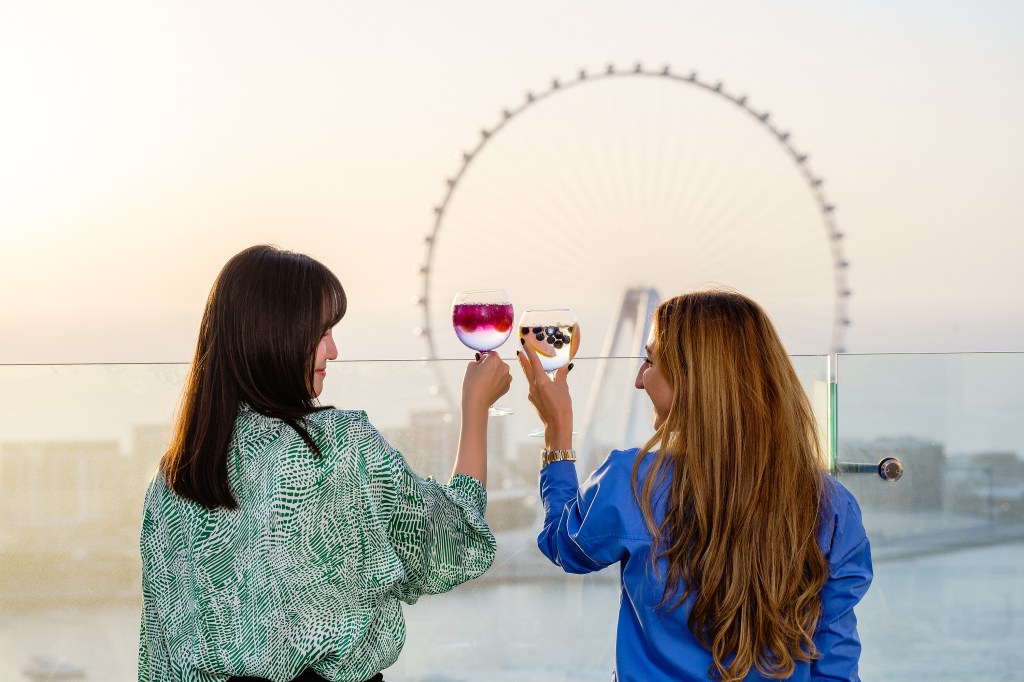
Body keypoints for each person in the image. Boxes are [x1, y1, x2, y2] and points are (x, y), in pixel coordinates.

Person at [139, 244, 511, 682]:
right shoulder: (339, 448)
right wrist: (476, 409)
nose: (332, 351)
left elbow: (158, 655)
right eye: (321, 332)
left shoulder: (171, 480)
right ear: (274, 335)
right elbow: (452, 544)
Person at [518, 289, 872, 682]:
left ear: (694, 381)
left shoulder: (633, 483)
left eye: (649, 362)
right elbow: (835, 665)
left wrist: (557, 436)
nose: (638, 380)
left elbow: (564, 546)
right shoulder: (833, 506)